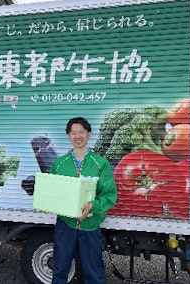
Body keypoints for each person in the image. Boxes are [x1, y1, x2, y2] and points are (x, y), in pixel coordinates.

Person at [50, 117, 117, 284]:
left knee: (94, 274)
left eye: (81, 132)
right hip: (65, 224)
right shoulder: (59, 164)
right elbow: (53, 192)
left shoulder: (100, 163)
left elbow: (109, 195)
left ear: (88, 134)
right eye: (73, 133)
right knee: (59, 270)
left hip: (91, 225)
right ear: (68, 136)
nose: (77, 136)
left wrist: (93, 206)